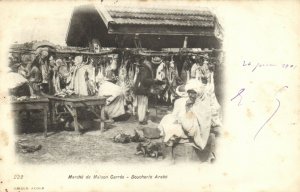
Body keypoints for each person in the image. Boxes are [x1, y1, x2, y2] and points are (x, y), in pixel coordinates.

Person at [158, 79, 218, 162]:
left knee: (172, 128)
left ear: (199, 93)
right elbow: (185, 117)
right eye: (189, 92)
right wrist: (183, 116)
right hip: (188, 126)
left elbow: (202, 123)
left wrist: (184, 118)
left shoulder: (204, 104)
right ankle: (168, 156)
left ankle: (168, 157)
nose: (190, 95)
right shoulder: (188, 102)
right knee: (167, 118)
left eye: (193, 92)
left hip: (198, 131)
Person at [133, 58, 158, 125]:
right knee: (143, 105)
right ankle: (141, 120)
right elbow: (144, 81)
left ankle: (141, 119)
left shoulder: (142, 69)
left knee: (141, 105)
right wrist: (153, 80)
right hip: (143, 90)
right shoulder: (146, 69)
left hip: (139, 90)